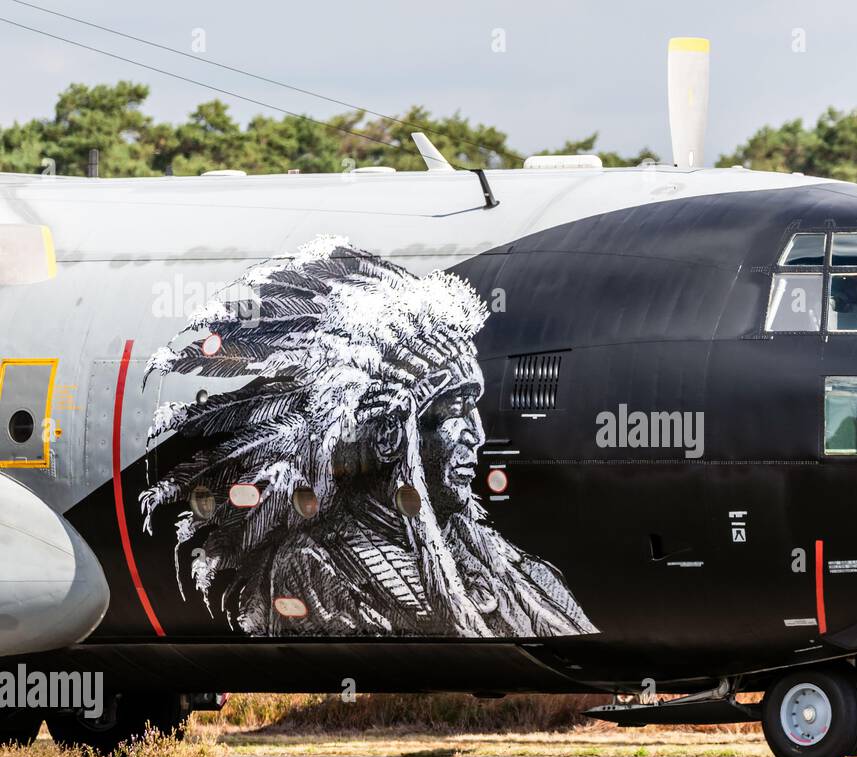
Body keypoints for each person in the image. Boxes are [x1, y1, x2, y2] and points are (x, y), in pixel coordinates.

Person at [141, 235, 595, 639]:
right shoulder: (317, 569)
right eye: (454, 410)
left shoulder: (512, 569)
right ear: (388, 436)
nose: (476, 434)